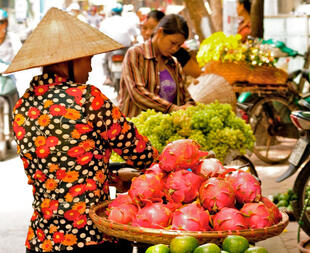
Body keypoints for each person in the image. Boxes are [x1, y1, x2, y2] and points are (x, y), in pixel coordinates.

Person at [4, 8, 157, 253]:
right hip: (89, 237)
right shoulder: (87, 98)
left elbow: (63, 170)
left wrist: (113, 177)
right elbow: (142, 154)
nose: (90, 68)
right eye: (88, 59)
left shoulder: (24, 105)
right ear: (67, 61)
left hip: (42, 238)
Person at [118, 14, 196, 117]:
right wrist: (172, 109)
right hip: (134, 128)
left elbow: (184, 96)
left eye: (178, 46)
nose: (175, 49)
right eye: (172, 43)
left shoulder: (174, 64)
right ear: (160, 32)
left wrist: (190, 106)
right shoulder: (135, 54)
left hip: (164, 129)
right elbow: (137, 92)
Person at [140, 10, 202, 79]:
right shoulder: (138, 54)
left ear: (160, 30)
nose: (148, 32)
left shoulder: (177, 56)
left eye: (152, 28)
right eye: (144, 28)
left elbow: (199, 75)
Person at [99, 3, 135, 85]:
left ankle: (107, 78)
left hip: (111, 47)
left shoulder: (106, 22)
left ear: (112, 12)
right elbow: (134, 33)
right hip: (124, 46)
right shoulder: (127, 20)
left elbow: (100, 34)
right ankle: (132, 76)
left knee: (104, 61)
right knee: (131, 60)